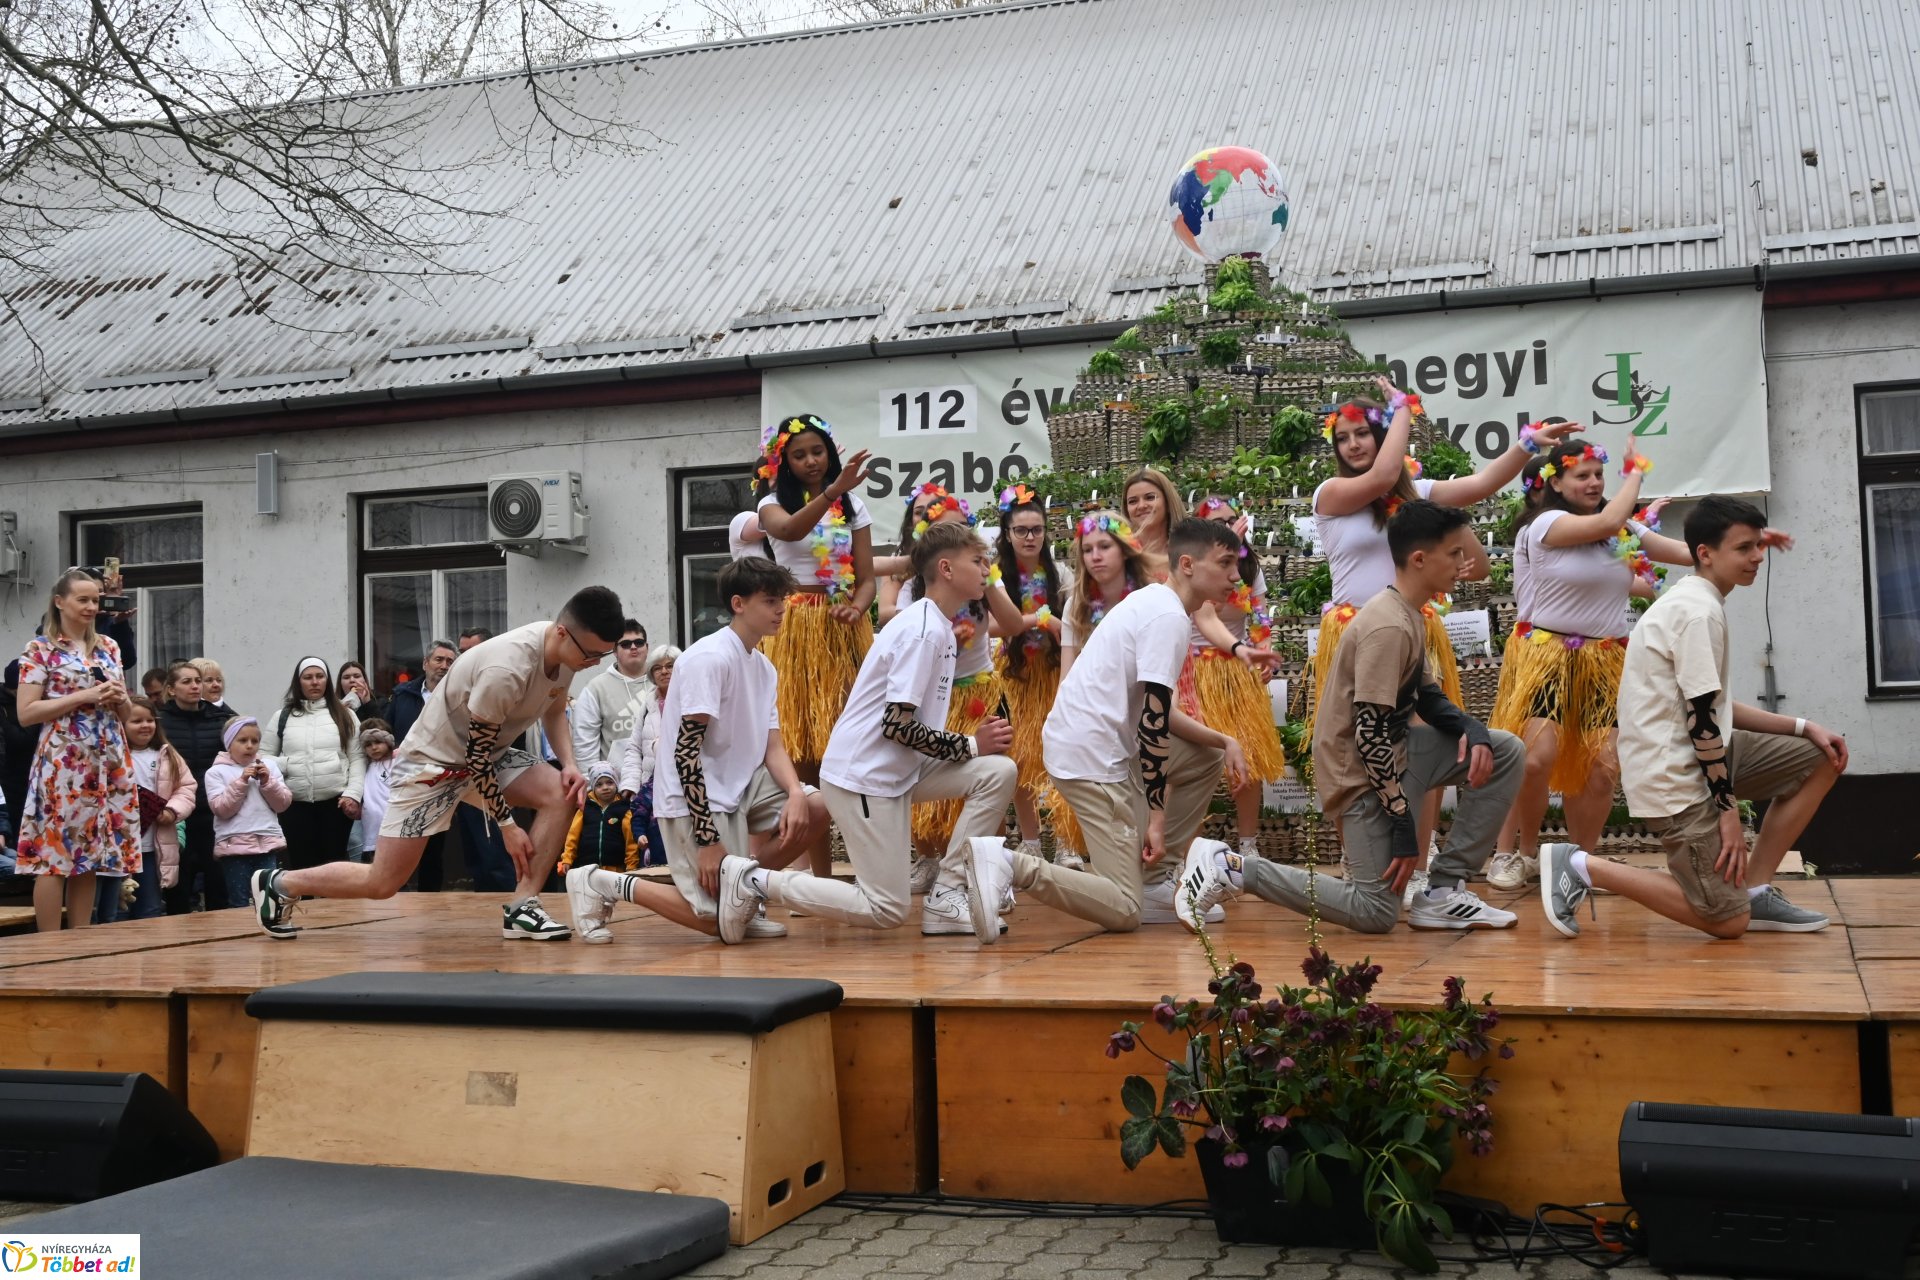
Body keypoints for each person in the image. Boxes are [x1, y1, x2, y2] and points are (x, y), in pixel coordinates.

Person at [1177, 502, 1527, 935]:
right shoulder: (1388, 626)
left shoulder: (1408, 612)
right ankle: (1232, 868)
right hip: (1360, 775)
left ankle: (1442, 892)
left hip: (1398, 755)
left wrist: (1472, 730)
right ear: (1419, 559)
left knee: (1505, 748)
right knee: (1374, 912)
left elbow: (1428, 697)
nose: (1464, 563)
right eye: (1454, 553)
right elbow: (1369, 734)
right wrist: (1403, 826)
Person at [250, 586, 631, 940]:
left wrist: (568, 763)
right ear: (563, 633)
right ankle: (280, 884)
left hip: (484, 756)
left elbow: (553, 707)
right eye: (591, 654)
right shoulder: (506, 669)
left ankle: (522, 906)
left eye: (603, 655)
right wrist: (508, 825)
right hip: (432, 766)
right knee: (383, 883)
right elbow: (475, 758)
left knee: (562, 792)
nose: (594, 663)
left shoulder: (566, 654)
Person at [1542, 497, 1846, 939]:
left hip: (1703, 752)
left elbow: (1712, 707)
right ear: (1705, 553)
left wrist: (1804, 728)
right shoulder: (1696, 612)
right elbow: (1702, 721)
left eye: (1759, 545)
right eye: (1744, 548)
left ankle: (1755, 888)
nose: (1758, 557)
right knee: (1726, 921)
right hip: (1674, 778)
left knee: (1820, 756)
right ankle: (1579, 865)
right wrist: (1727, 812)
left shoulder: (1701, 600)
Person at [716, 520, 1018, 943]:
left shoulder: (938, 625)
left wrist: (973, 749)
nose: (987, 567)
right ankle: (753, 882)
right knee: (887, 909)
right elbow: (896, 726)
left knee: (998, 772)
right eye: (977, 560)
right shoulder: (924, 631)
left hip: (898, 770)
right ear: (946, 569)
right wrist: (969, 743)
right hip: (864, 778)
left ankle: (947, 894)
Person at [960, 519, 1251, 944]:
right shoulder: (1167, 617)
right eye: (1225, 563)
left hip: (1103, 746)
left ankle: (1153, 878)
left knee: (1204, 756)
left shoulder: (1159, 603)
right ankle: (1008, 864)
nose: (1234, 576)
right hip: (1090, 759)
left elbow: (1162, 714)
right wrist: (1156, 816)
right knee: (1125, 911)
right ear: (1187, 564)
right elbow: (1153, 725)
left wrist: (1224, 740)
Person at [566, 558, 829, 945]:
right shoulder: (710, 658)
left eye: (782, 600)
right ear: (738, 604)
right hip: (694, 799)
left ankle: (741, 892)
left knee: (819, 806)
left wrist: (794, 792)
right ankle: (600, 882)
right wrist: (708, 840)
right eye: (771, 600)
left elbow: (773, 743)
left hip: (742, 787)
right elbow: (685, 752)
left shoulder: (764, 667)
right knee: (714, 924)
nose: (781, 609)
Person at [1483, 442, 1689, 889]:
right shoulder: (1545, 524)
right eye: (1584, 475)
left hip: (1605, 659)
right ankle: (1515, 852)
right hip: (1547, 656)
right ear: (1555, 483)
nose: (1595, 482)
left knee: (1601, 768)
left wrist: (1733, 546)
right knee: (1535, 760)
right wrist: (1636, 470)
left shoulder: (1620, 531)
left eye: (1600, 474)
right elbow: (1610, 519)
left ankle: (1578, 864)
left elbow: (1682, 553)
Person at [753, 416, 876, 795]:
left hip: (842, 625)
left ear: (829, 452)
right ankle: (809, 853)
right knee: (803, 743)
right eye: (799, 455)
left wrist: (856, 609)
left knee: (847, 735)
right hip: (792, 625)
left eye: (817, 451)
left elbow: (867, 578)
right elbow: (791, 530)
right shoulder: (770, 505)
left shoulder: (852, 506)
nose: (810, 461)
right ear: (784, 462)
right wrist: (832, 491)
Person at [14, 568, 139, 931]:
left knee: (90, 856)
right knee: (55, 856)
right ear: (60, 602)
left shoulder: (109, 646)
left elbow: (127, 713)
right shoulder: (40, 649)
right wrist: (83, 695)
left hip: (108, 758)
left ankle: (80, 943)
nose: (90, 607)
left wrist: (120, 699)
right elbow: (26, 713)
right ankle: (49, 946)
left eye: (95, 600)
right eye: (82, 599)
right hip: (64, 761)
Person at [1047, 510, 1156, 870]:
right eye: (1088, 549)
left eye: (1104, 546)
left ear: (1125, 550)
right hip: (1096, 719)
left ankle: (1159, 869)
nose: (1095, 556)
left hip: (1141, 715)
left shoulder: (1147, 601)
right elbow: (1068, 675)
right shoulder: (1076, 607)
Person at [1186, 496, 1288, 860]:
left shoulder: (1248, 570)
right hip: (1196, 672)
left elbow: (1260, 617)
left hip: (1236, 674)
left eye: (1233, 520)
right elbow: (1205, 616)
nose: (1230, 527)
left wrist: (1264, 650)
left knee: (1250, 757)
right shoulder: (1195, 568)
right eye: (1219, 523)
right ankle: (1190, 852)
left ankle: (1248, 848)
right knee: (1194, 764)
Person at [993, 484, 1067, 863]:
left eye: (1036, 529)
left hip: (1054, 675)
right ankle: (1032, 843)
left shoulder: (1062, 574)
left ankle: (1067, 843)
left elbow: (1075, 625)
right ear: (1007, 534)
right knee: (1020, 758)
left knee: (1060, 756)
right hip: (1014, 676)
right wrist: (1038, 618)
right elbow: (990, 625)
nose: (1030, 537)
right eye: (1021, 530)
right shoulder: (996, 578)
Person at [261, 657, 366, 871]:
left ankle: (333, 907)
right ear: (298, 682)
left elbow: (357, 758)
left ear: (327, 681)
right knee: (302, 868)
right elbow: (264, 759)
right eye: (308, 677)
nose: (314, 682)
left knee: (334, 869)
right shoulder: (281, 716)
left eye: (320, 676)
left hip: (335, 805)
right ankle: (305, 906)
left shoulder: (345, 715)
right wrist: (288, 764)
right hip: (294, 806)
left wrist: (353, 794)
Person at [158, 659, 227, 911]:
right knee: (179, 888)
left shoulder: (220, 718)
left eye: (198, 681)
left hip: (214, 814)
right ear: (171, 689)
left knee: (218, 884)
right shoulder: (160, 721)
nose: (195, 686)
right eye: (187, 682)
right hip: (178, 816)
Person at [207, 717, 292, 908]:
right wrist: (241, 782)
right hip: (234, 847)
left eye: (254, 741)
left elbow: (283, 804)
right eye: (242, 741)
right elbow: (221, 809)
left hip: (266, 843)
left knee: (269, 897)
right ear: (229, 744)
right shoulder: (216, 772)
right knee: (240, 900)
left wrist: (267, 782)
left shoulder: (269, 767)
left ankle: (268, 928)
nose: (249, 746)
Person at [123, 697, 194, 921]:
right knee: (118, 910)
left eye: (149, 720)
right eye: (136, 721)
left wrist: (171, 811)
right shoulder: (114, 756)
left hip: (153, 848)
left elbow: (186, 787)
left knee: (150, 908)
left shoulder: (167, 754)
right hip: (121, 850)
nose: (145, 725)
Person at [615, 645, 676, 868]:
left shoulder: (689, 699)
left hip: (682, 784)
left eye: (670, 666)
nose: (664, 671)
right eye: (658, 668)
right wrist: (630, 785)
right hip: (651, 786)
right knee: (652, 844)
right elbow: (634, 748)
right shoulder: (647, 705)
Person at [571, 619, 652, 775]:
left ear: (647, 648)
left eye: (639, 642)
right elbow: (584, 744)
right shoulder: (596, 689)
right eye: (625, 644)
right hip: (615, 789)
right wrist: (592, 786)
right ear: (614, 651)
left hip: (659, 784)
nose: (633, 647)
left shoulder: (664, 682)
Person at [558, 763, 642, 876]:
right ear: (593, 787)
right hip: (587, 869)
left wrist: (632, 866)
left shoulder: (624, 809)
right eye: (599, 784)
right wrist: (567, 859)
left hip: (616, 870)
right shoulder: (585, 808)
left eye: (610, 782)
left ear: (617, 783)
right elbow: (572, 836)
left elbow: (630, 841)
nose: (605, 787)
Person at [388, 638, 455, 745]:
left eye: (450, 662)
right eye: (439, 659)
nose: (444, 666)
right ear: (425, 663)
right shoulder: (402, 694)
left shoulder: (459, 698)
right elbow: (387, 731)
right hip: (405, 758)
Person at [1122, 467, 1186, 576]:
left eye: (1150, 497)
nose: (1141, 506)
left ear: (1168, 502)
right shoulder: (1121, 552)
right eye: (1133, 501)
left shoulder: (1190, 548)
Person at [356, 718, 396, 862]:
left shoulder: (398, 764)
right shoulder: (364, 767)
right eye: (368, 744)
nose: (373, 747)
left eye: (378, 742)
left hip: (394, 830)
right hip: (370, 833)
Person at [337, 661, 389, 725]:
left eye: (357, 676)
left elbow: (383, 728)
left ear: (364, 680)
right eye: (346, 677)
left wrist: (368, 703)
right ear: (340, 683)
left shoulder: (380, 701)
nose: (352, 680)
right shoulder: (333, 704)